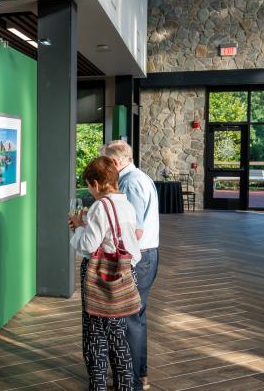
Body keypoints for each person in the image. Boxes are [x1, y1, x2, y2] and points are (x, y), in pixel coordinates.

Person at [68, 156, 142, 391]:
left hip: (101, 278)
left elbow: (89, 246)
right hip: (126, 275)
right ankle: (126, 386)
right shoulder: (126, 204)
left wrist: (78, 227)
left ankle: (98, 386)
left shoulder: (101, 205)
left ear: (97, 184)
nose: (91, 190)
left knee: (95, 338)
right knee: (119, 336)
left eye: (90, 185)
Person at [101, 140, 159, 391]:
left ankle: (133, 382)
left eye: (104, 162)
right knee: (137, 318)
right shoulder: (137, 177)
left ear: (115, 162)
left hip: (139, 258)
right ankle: (139, 376)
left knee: (130, 320)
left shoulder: (130, 182)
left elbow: (132, 230)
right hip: (146, 255)